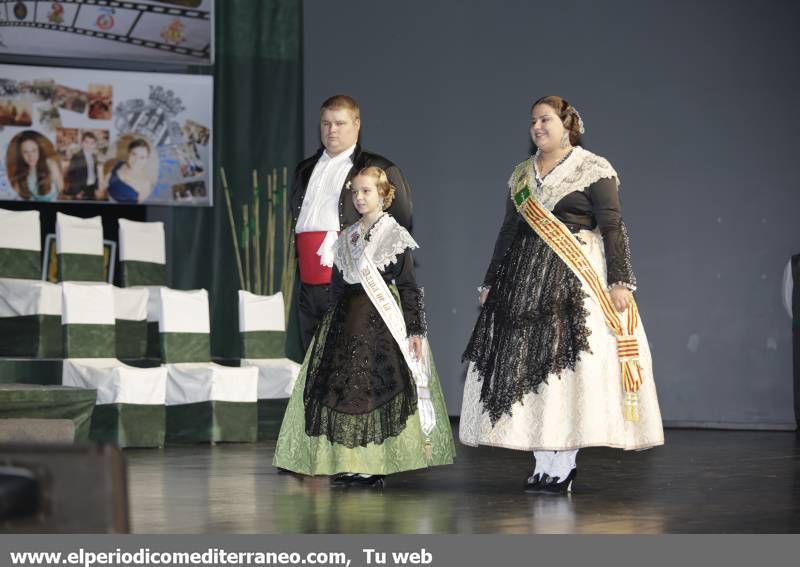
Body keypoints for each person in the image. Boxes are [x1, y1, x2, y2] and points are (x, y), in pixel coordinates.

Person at [459, 96, 663, 493]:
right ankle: (542, 462)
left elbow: (613, 226)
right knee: (530, 367)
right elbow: (507, 232)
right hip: (524, 279)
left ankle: (564, 462)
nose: (537, 126)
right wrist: (490, 282)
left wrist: (620, 280)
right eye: (533, 120)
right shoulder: (521, 174)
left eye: (546, 119)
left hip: (575, 275)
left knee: (564, 368)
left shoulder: (594, 168)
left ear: (567, 124)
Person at [274, 166, 454, 487]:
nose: (359, 197)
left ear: (383, 196)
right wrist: (326, 328)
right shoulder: (347, 237)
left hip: (380, 327)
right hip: (345, 326)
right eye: (354, 191)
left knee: (373, 391)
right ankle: (348, 462)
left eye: (366, 191)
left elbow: (409, 286)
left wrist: (415, 330)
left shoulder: (393, 234)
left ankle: (372, 465)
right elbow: (337, 288)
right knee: (346, 394)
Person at [291, 95, 413, 353]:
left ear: (357, 124)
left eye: (340, 123)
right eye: (325, 123)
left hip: (351, 285)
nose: (331, 130)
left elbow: (400, 223)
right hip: (307, 286)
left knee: (345, 361)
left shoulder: (378, 167)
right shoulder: (304, 169)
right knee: (309, 364)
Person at [9, 130, 64, 201]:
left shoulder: (50, 164)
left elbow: (61, 188)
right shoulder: (19, 173)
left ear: (39, 151)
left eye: (34, 150)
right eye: (25, 152)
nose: (30, 156)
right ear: (21, 155)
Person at [105, 139, 152, 204]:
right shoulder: (118, 164)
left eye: (142, 157)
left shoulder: (145, 184)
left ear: (146, 159)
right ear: (128, 153)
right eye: (134, 154)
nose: (136, 160)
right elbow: (105, 184)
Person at [65, 131, 101, 200]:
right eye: (86, 142)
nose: (89, 145)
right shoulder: (76, 157)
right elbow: (72, 175)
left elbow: (94, 172)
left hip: (91, 188)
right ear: (82, 143)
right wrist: (77, 192)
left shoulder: (94, 156)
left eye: (92, 143)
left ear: (95, 144)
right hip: (81, 190)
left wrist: (96, 187)